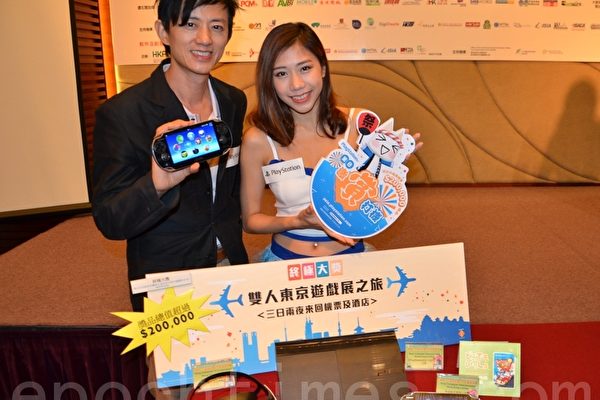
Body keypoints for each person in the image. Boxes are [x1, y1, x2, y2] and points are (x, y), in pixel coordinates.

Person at [92, 0, 247, 398]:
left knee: (231, 385)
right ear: (163, 32)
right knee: (174, 390)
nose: (205, 38)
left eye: (217, 27)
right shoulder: (122, 113)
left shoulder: (232, 100)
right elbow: (110, 218)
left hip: (228, 268)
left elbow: (227, 190)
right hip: (168, 282)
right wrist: (158, 183)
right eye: (190, 25)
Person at [240, 22, 422, 262]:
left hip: (351, 261)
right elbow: (251, 220)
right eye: (281, 73)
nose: (296, 84)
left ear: (323, 68)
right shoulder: (258, 139)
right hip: (285, 262)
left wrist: (389, 169)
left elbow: (374, 205)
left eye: (305, 68)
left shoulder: (360, 124)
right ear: (269, 81)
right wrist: (298, 221)